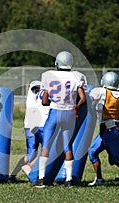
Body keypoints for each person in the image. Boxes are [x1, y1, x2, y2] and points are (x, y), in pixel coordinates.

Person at [34, 51, 87, 188]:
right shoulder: (77, 76)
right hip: (69, 113)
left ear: (57, 62)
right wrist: (75, 107)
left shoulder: (48, 75)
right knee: (67, 147)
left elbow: (45, 101)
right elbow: (83, 98)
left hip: (55, 112)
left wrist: (49, 101)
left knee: (46, 145)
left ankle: (41, 179)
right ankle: (69, 180)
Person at [8, 80, 50, 183]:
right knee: (43, 151)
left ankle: (14, 175)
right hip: (38, 124)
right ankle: (29, 171)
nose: (36, 90)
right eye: (35, 88)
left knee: (35, 153)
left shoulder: (34, 97)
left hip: (31, 124)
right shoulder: (38, 96)